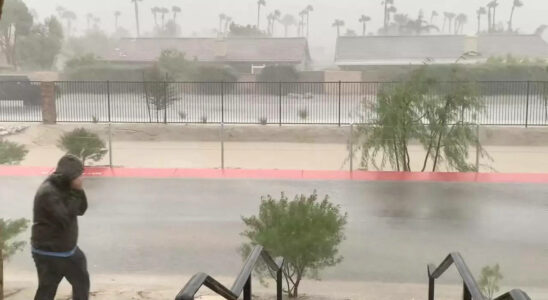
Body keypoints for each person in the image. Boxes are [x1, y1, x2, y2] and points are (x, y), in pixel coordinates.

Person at [31, 154, 89, 300]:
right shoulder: (48, 192)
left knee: (81, 281)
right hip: (49, 252)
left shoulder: (65, 186)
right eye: (78, 175)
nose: (81, 178)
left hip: (67, 250)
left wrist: (79, 191)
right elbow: (65, 219)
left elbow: (81, 210)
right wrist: (76, 191)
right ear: (69, 176)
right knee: (47, 290)